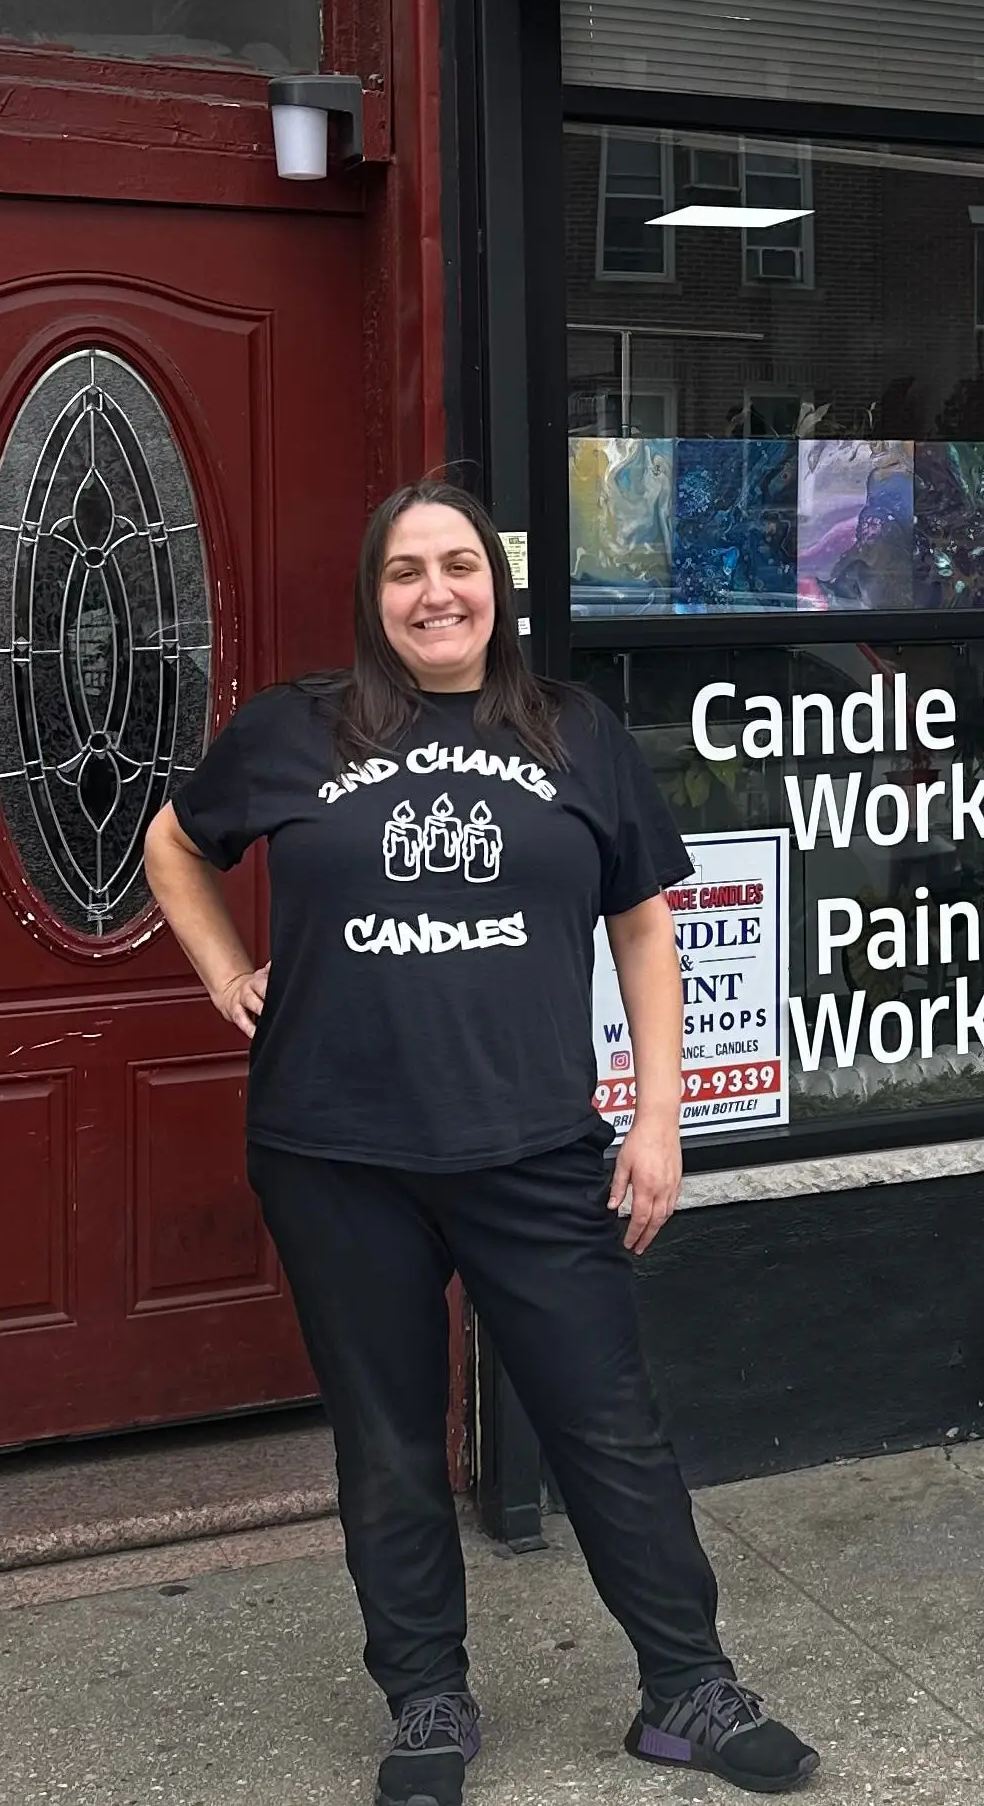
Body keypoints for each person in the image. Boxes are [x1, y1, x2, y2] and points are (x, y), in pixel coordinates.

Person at [142, 480, 817, 1804]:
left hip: (533, 1148)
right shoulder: (294, 729)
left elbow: (642, 926)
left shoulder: (574, 733)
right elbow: (174, 841)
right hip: (335, 1153)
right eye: (406, 572)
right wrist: (227, 973)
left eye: (458, 565)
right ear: (373, 594)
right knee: (387, 1435)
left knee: (608, 1425)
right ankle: (428, 1704)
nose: (435, 593)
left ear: (494, 587)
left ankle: (686, 1687)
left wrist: (661, 1117)